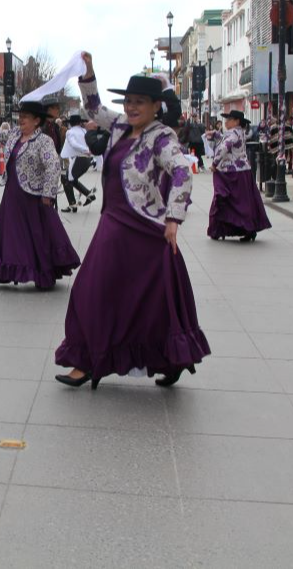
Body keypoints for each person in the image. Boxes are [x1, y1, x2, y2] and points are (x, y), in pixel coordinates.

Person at [55, 55, 210, 389]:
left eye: (140, 102)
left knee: (151, 301)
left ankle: (169, 358)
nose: (132, 107)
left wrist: (174, 217)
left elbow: (183, 170)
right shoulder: (121, 126)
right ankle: (85, 358)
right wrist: (90, 73)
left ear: (156, 106)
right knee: (91, 288)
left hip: (145, 228)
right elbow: (94, 109)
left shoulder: (161, 136)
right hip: (113, 220)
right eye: (128, 101)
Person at [0, 102, 80, 290]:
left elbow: (53, 166)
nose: (21, 119)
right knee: (10, 233)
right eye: (21, 115)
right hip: (12, 193)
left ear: (37, 121)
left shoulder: (44, 141)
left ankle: (42, 272)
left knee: (36, 234)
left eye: (26, 116)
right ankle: (8, 270)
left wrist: (49, 193)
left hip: (33, 197)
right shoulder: (14, 135)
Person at [205, 110, 271, 243]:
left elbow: (224, 147)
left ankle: (225, 229)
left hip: (231, 172)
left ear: (236, 122)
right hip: (241, 171)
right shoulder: (238, 133)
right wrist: (215, 134)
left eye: (229, 119)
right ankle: (244, 229)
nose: (226, 121)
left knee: (230, 201)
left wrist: (214, 163)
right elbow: (224, 138)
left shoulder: (233, 135)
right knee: (241, 201)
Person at [59, 113, 96, 212]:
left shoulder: (70, 132)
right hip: (86, 160)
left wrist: (85, 150)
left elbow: (74, 144)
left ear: (70, 123)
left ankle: (79, 200)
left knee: (67, 179)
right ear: (80, 123)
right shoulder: (84, 131)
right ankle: (76, 202)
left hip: (79, 158)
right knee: (68, 179)